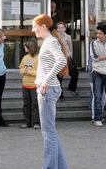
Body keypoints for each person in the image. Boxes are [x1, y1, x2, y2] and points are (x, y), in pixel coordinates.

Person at [32, 14, 69, 169]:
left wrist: (46, 80)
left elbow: (61, 60)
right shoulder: (49, 41)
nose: (33, 29)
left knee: (48, 134)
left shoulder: (50, 42)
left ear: (44, 26)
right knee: (51, 133)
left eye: (35, 26)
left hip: (47, 90)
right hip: (49, 89)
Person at [19, 40, 40, 129]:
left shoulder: (39, 58)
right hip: (25, 85)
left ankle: (36, 122)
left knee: (35, 104)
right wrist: (24, 71)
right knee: (26, 104)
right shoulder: (25, 57)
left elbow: (40, 71)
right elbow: (20, 68)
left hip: (34, 85)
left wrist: (30, 72)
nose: (24, 48)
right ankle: (27, 122)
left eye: (26, 47)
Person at [56, 22, 78, 98]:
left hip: (67, 58)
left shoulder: (68, 37)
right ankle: (60, 93)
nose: (61, 29)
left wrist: (69, 56)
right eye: (59, 28)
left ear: (65, 29)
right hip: (59, 59)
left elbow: (70, 47)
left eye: (62, 27)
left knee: (74, 74)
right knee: (59, 77)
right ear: (57, 29)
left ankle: (72, 87)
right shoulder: (54, 37)